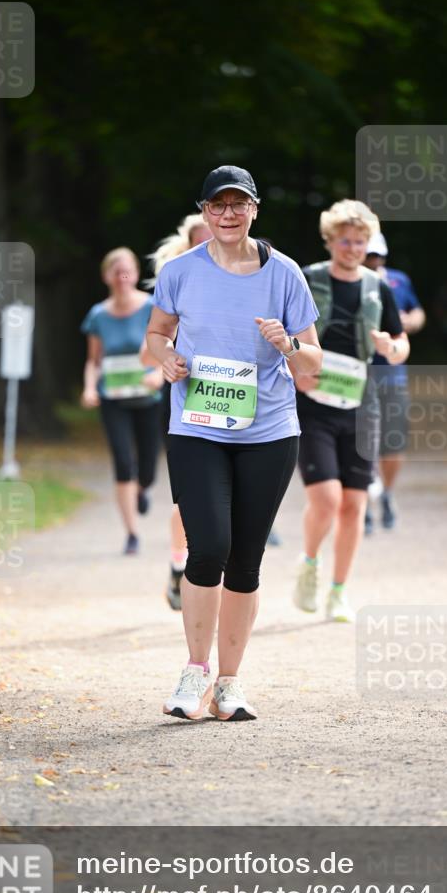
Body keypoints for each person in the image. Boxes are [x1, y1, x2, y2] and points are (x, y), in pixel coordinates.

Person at [146, 165, 321, 721]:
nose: (228, 215)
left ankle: (228, 684)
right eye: (217, 206)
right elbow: (156, 332)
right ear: (204, 212)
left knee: (246, 561)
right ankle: (193, 672)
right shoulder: (180, 271)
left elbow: (314, 362)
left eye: (238, 205)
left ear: (254, 210)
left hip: (268, 431)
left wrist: (288, 342)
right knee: (209, 547)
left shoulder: (285, 274)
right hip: (197, 426)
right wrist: (166, 357)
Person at [293, 200, 409, 622]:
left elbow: (400, 341)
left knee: (354, 504)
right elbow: (285, 334)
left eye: (361, 242)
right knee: (326, 499)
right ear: (330, 239)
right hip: (313, 405)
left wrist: (392, 348)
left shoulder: (378, 287)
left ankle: (339, 591)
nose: (353, 248)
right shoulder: (308, 279)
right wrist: (297, 372)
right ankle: (309, 564)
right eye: (346, 240)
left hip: (361, 404)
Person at [147, 214, 213, 610]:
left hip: (232, 398)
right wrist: (167, 358)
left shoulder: (246, 278)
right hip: (183, 397)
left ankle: (213, 574)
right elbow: (150, 343)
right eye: (199, 241)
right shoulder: (174, 283)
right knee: (188, 499)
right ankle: (178, 564)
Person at [80, 247, 164, 555]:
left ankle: (143, 488)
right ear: (106, 277)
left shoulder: (151, 308)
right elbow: (94, 360)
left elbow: (165, 345)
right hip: (113, 398)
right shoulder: (98, 316)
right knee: (122, 461)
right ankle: (131, 533)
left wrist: (159, 374)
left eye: (126, 270)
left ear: (135, 275)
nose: (121, 277)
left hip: (148, 397)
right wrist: (90, 388)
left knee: (148, 467)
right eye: (115, 271)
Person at [364, 232, 425, 532]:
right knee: (360, 441)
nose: (373, 262)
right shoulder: (351, 281)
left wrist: (409, 323)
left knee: (392, 441)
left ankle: (386, 494)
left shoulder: (399, 280)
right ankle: (362, 500)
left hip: (392, 373)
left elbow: (417, 312)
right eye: (369, 256)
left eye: (377, 256)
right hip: (358, 375)